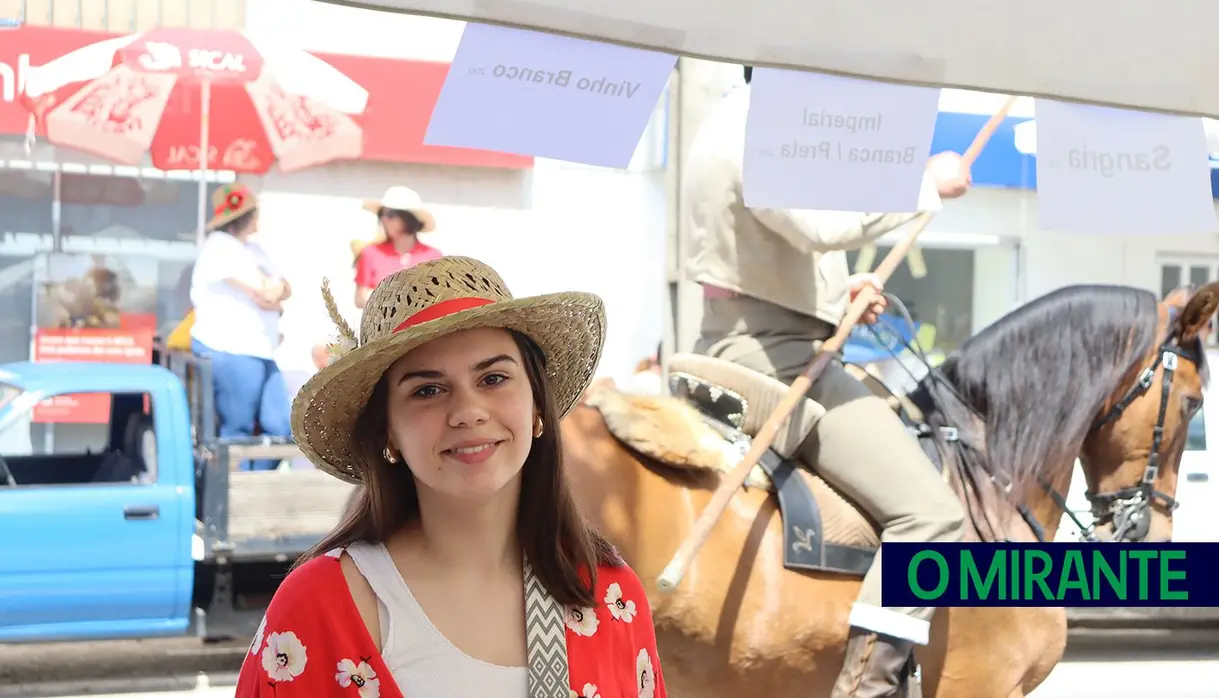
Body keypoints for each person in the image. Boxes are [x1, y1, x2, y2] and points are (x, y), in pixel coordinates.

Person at [235, 256, 668, 698]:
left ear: (538, 405)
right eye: (427, 390)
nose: (468, 412)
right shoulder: (320, 606)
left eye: (494, 378)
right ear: (389, 431)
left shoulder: (613, 598)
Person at [683, 65, 972, 697]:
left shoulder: (737, 118)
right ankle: (870, 688)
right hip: (771, 354)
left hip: (752, 330)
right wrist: (927, 183)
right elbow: (818, 228)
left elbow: (767, 254)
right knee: (932, 516)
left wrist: (840, 296)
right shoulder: (760, 128)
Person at [189, 182, 293, 471]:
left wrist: (278, 293)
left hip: (258, 349)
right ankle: (235, 498)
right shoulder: (219, 248)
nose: (259, 217)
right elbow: (263, 294)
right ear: (245, 217)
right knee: (238, 429)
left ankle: (255, 488)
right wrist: (274, 297)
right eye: (255, 212)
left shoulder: (255, 249)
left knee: (281, 426)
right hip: (230, 348)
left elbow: (284, 287)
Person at [354, 185, 443, 309]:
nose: (384, 220)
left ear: (408, 218)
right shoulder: (371, 252)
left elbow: (440, 297)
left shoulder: (433, 256)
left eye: (391, 214)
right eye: (381, 214)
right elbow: (359, 299)